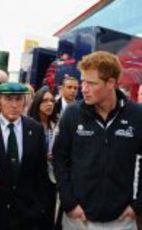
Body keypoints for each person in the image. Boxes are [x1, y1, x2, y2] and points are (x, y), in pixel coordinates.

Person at [53, 51, 142, 230]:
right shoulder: (71, 114)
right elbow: (60, 160)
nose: (83, 88)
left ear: (111, 83)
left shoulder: (137, 115)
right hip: (78, 219)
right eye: (83, 81)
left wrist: (137, 204)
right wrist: (69, 203)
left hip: (122, 221)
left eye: (91, 83)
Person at [0, 82, 49, 230]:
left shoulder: (35, 129)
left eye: (18, 99)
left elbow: (40, 173)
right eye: (9, 99)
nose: (14, 105)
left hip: (26, 214)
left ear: (25, 102)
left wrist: (38, 207)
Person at [28, 86, 58, 230]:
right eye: (45, 101)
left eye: (52, 100)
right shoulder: (29, 125)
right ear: (37, 103)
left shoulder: (56, 125)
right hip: (33, 180)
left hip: (52, 178)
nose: (50, 104)